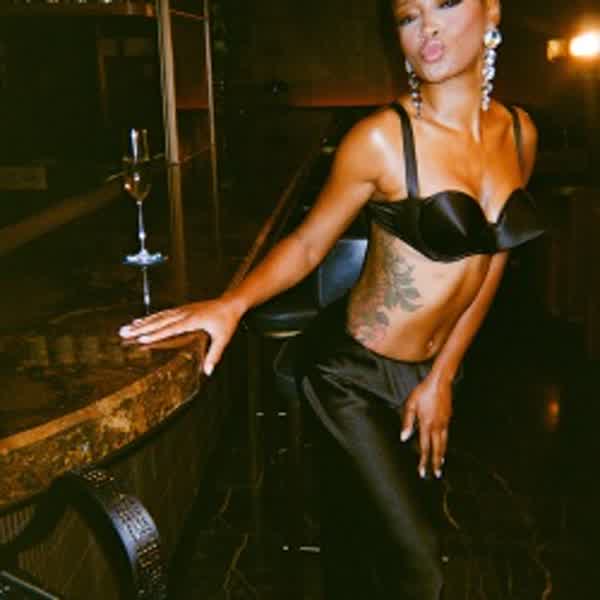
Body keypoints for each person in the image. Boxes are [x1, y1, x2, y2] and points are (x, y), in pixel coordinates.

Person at [120, 0, 544, 596]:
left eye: (445, 3)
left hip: (433, 372)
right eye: (407, 16)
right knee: (422, 565)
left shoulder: (519, 133)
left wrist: (444, 375)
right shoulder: (381, 140)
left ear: (492, 10)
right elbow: (308, 243)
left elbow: (493, 258)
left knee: (371, 547)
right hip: (353, 379)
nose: (426, 27)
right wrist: (232, 303)